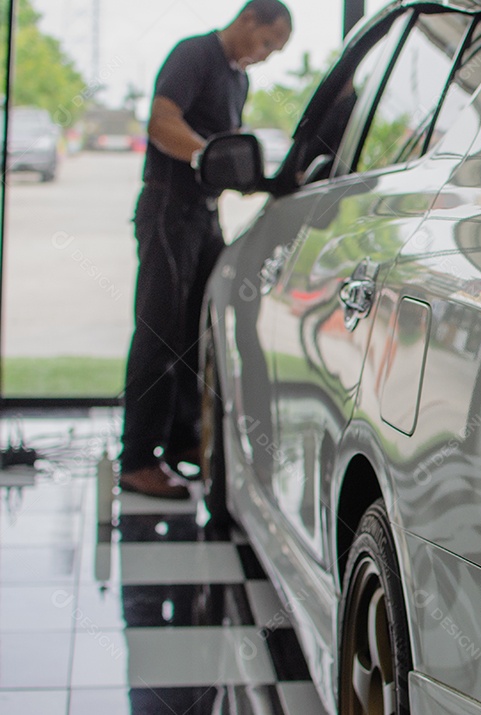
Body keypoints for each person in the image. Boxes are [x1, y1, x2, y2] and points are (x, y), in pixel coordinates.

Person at [119, 0, 292, 499]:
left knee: (196, 331)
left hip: (203, 213)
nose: (265, 57)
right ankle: (137, 459)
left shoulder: (239, 79)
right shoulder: (194, 55)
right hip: (168, 210)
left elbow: (226, 151)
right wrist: (207, 157)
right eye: (266, 44)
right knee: (159, 328)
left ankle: (180, 444)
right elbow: (160, 123)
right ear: (248, 21)